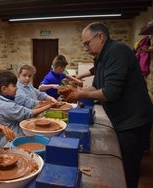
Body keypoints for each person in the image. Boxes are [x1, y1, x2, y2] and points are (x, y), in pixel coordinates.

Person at [61, 22, 153, 188]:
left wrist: (80, 94)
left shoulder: (117, 51)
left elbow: (110, 92)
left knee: (127, 169)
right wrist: (74, 91)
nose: (85, 48)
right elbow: (96, 86)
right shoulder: (101, 57)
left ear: (100, 37)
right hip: (123, 119)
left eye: (87, 43)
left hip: (134, 121)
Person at [0, 70, 55, 147]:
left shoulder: (9, 97)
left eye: (30, 76)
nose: (16, 88)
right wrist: (49, 106)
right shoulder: (5, 105)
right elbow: (29, 113)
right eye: (14, 86)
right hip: (9, 141)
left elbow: (36, 99)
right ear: (4, 89)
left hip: (17, 131)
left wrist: (46, 103)